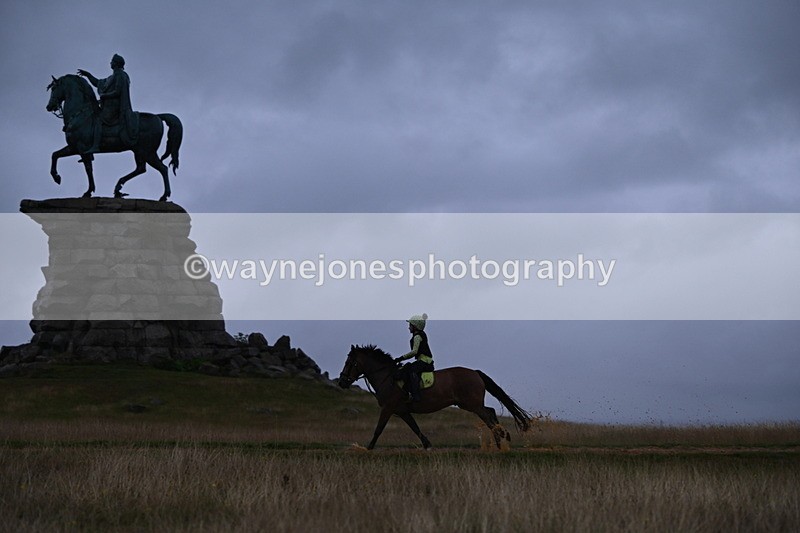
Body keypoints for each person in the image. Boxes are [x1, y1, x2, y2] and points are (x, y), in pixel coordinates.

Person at [77, 53, 139, 155]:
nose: (110, 63)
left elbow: (117, 92)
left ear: (116, 63)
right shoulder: (112, 76)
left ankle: (96, 146)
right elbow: (98, 83)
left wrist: (104, 96)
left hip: (115, 107)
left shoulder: (121, 75)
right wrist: (88, 75)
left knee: (98, 120)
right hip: (108, 106)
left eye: (112, 61)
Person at [394, 313, 434, 402]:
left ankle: (415, 395)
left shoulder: (417, 337)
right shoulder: (419, 335)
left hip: (424, 361)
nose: (409, 327)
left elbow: (414, 352)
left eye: (410, 325)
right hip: (424, 360)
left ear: (415, 326)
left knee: (411, 371)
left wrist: (400, 358)